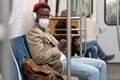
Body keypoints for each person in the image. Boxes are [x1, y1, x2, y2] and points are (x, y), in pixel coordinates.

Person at [26, 2, 106, 80]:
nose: (45, 19)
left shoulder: (45, 31)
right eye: (42, 15)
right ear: (35, 16)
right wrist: (58, 48)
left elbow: (59, 47)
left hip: (66, 58)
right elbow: (39, 58)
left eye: (47, 16)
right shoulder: (33, 33)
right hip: (57, 64)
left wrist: (65, 46)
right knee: (93, 72)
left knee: (102, 64)